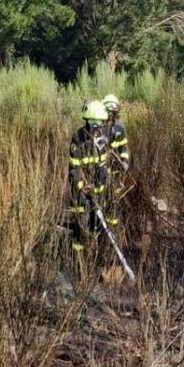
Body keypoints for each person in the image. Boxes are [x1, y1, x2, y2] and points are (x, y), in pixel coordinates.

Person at [68, 100, 111, 252]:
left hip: (96, 191)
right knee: (81, 223)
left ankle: (93, 252)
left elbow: (103, 169)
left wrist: (98, 188)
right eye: (93, 123)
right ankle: (78, 256)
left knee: (96, 221)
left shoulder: (102, 142)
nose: (96, 128)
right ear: (86, 121)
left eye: (100, 124)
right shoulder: (77, 140)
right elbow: (74, 169)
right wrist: (83, 187)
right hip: (80, 192)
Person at [101, 94, 130, 228]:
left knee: (113, 198)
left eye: (112, 111)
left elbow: (123, 147)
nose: (110, 114)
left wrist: (125, 161)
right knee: (100, 196)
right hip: (99, 167)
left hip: (114, 168)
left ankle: (112, 227)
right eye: (108, 110)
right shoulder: (98, 125)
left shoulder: (119, 127)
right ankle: (99, 225)